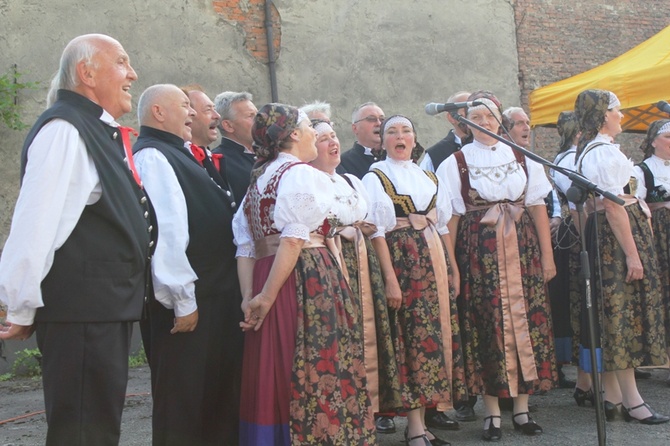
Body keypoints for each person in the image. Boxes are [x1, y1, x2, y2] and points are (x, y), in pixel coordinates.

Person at [0, 34, 153, 445]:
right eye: (121, 62)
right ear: (87, 73)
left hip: (100, 310)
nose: (132, 73)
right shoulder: (65, 129)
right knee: (83, 430)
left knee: (97, 427)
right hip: (84, 312)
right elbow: (37, 221)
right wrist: (20, 302)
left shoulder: (91, 129)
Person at [233, 103, 376, 445]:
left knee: (275, 367)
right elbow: (294, 239)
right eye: (311, 128)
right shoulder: (299, 173)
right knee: (313, 364)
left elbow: (246, 247)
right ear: (294, 134)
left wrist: (250, 298)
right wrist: (265, 298)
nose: (315, 133)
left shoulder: (258, 180)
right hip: (305, 277)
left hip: (268, 276)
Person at [438, 92, 557, 441]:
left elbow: (537, 207)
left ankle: (522, 409)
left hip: (523, 250)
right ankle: (492, 413)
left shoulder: (523, 157)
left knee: (528, 321)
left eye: (489, 115)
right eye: (476, 116)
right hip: (479, 253)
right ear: (465, 123)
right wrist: (453, 268)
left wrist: (548, 257)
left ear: (499, 119)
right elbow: (451, 221)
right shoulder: (455, 162)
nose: (483, 122)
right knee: (485, 325)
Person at [133, 84, 241, 445]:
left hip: (214, 297)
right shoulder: (153, 156)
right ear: (159, 112)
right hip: (188, 303)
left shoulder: (179, 152)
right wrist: (182, 300)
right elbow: (167, 231)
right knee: (183, 401)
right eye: (185, 106)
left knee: (216, 397)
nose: (192, 113)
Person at [363, 115, 465, 446]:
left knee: (434, 337)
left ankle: (423, 422)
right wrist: (390, 279)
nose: (399, 135)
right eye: (391, 131)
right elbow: (377, 232)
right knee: (410, 340)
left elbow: (444, 227)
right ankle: (415, 426)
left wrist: (453, 268)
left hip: (434, 263)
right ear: (383, 141)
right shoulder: (376, 177)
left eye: (406, 130)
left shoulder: (429, 177)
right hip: (402, 264)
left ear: (414, 137)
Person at [573, 89, 668, 424]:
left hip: (610, 235)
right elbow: (614, 207)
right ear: (603, 116)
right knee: (619, 317)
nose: (622, 117)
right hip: (614, 240)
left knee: (613, 316)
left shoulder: (598, 150)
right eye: (617, 111)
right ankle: (632, 401)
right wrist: (633, 255)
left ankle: (613, 397)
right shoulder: (603, 154)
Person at [309, 119, 402, 417]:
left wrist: (390, 279)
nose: (332, 143)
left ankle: (372, 412)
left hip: (365, 264)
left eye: (333, 136)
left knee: (370, 336)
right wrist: (342, 226)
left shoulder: (352, 181)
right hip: (331, 266)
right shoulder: (306, 182)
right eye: (322, 138)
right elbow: (307, 225)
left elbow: (376, 232)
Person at [548, 111, 590, 397]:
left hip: (574, 231)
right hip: (573, 235)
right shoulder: (568, 159)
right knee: (573, 297)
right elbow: (576, 205)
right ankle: (574, 364)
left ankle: (586, 374)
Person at [635, 118, 670, 388]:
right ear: (654, 140)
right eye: (668, 137)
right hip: (660, 239)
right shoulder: (643, 170)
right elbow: (638, 207)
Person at [213, 91, 258, 203]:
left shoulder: (267, 152)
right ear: (228, 126)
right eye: (251, 116)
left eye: (258, 114)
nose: (259, 120)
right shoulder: (217, 161)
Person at [420, 91, 472, 173]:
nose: (472, 116)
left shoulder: (493, 146)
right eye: (467, 110)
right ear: (451, 117)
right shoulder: (435, 155)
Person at [337, 102, 385, 179]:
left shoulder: (394, 156)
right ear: (355, 128)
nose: (379, 123)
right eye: (371, 119)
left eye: (382, 119)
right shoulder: (343, 163)